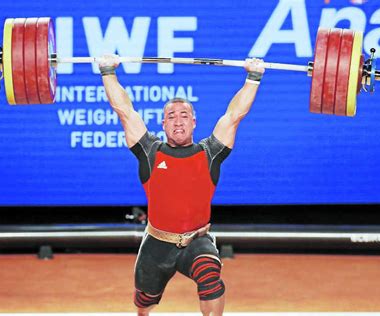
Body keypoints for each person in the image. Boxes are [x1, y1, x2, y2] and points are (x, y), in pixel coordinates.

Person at [99, 55, 265, 316]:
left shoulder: (209, 153)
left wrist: (253, 77)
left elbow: (234, 116)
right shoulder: (150, 152)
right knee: (144, 306)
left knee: (210, 275)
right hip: (156, 243)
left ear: (194, 122)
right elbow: (125, 111)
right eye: (171, 117)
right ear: (163, 124)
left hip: (197, 241)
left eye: (184, 115)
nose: (178, 121)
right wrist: (108, 71)